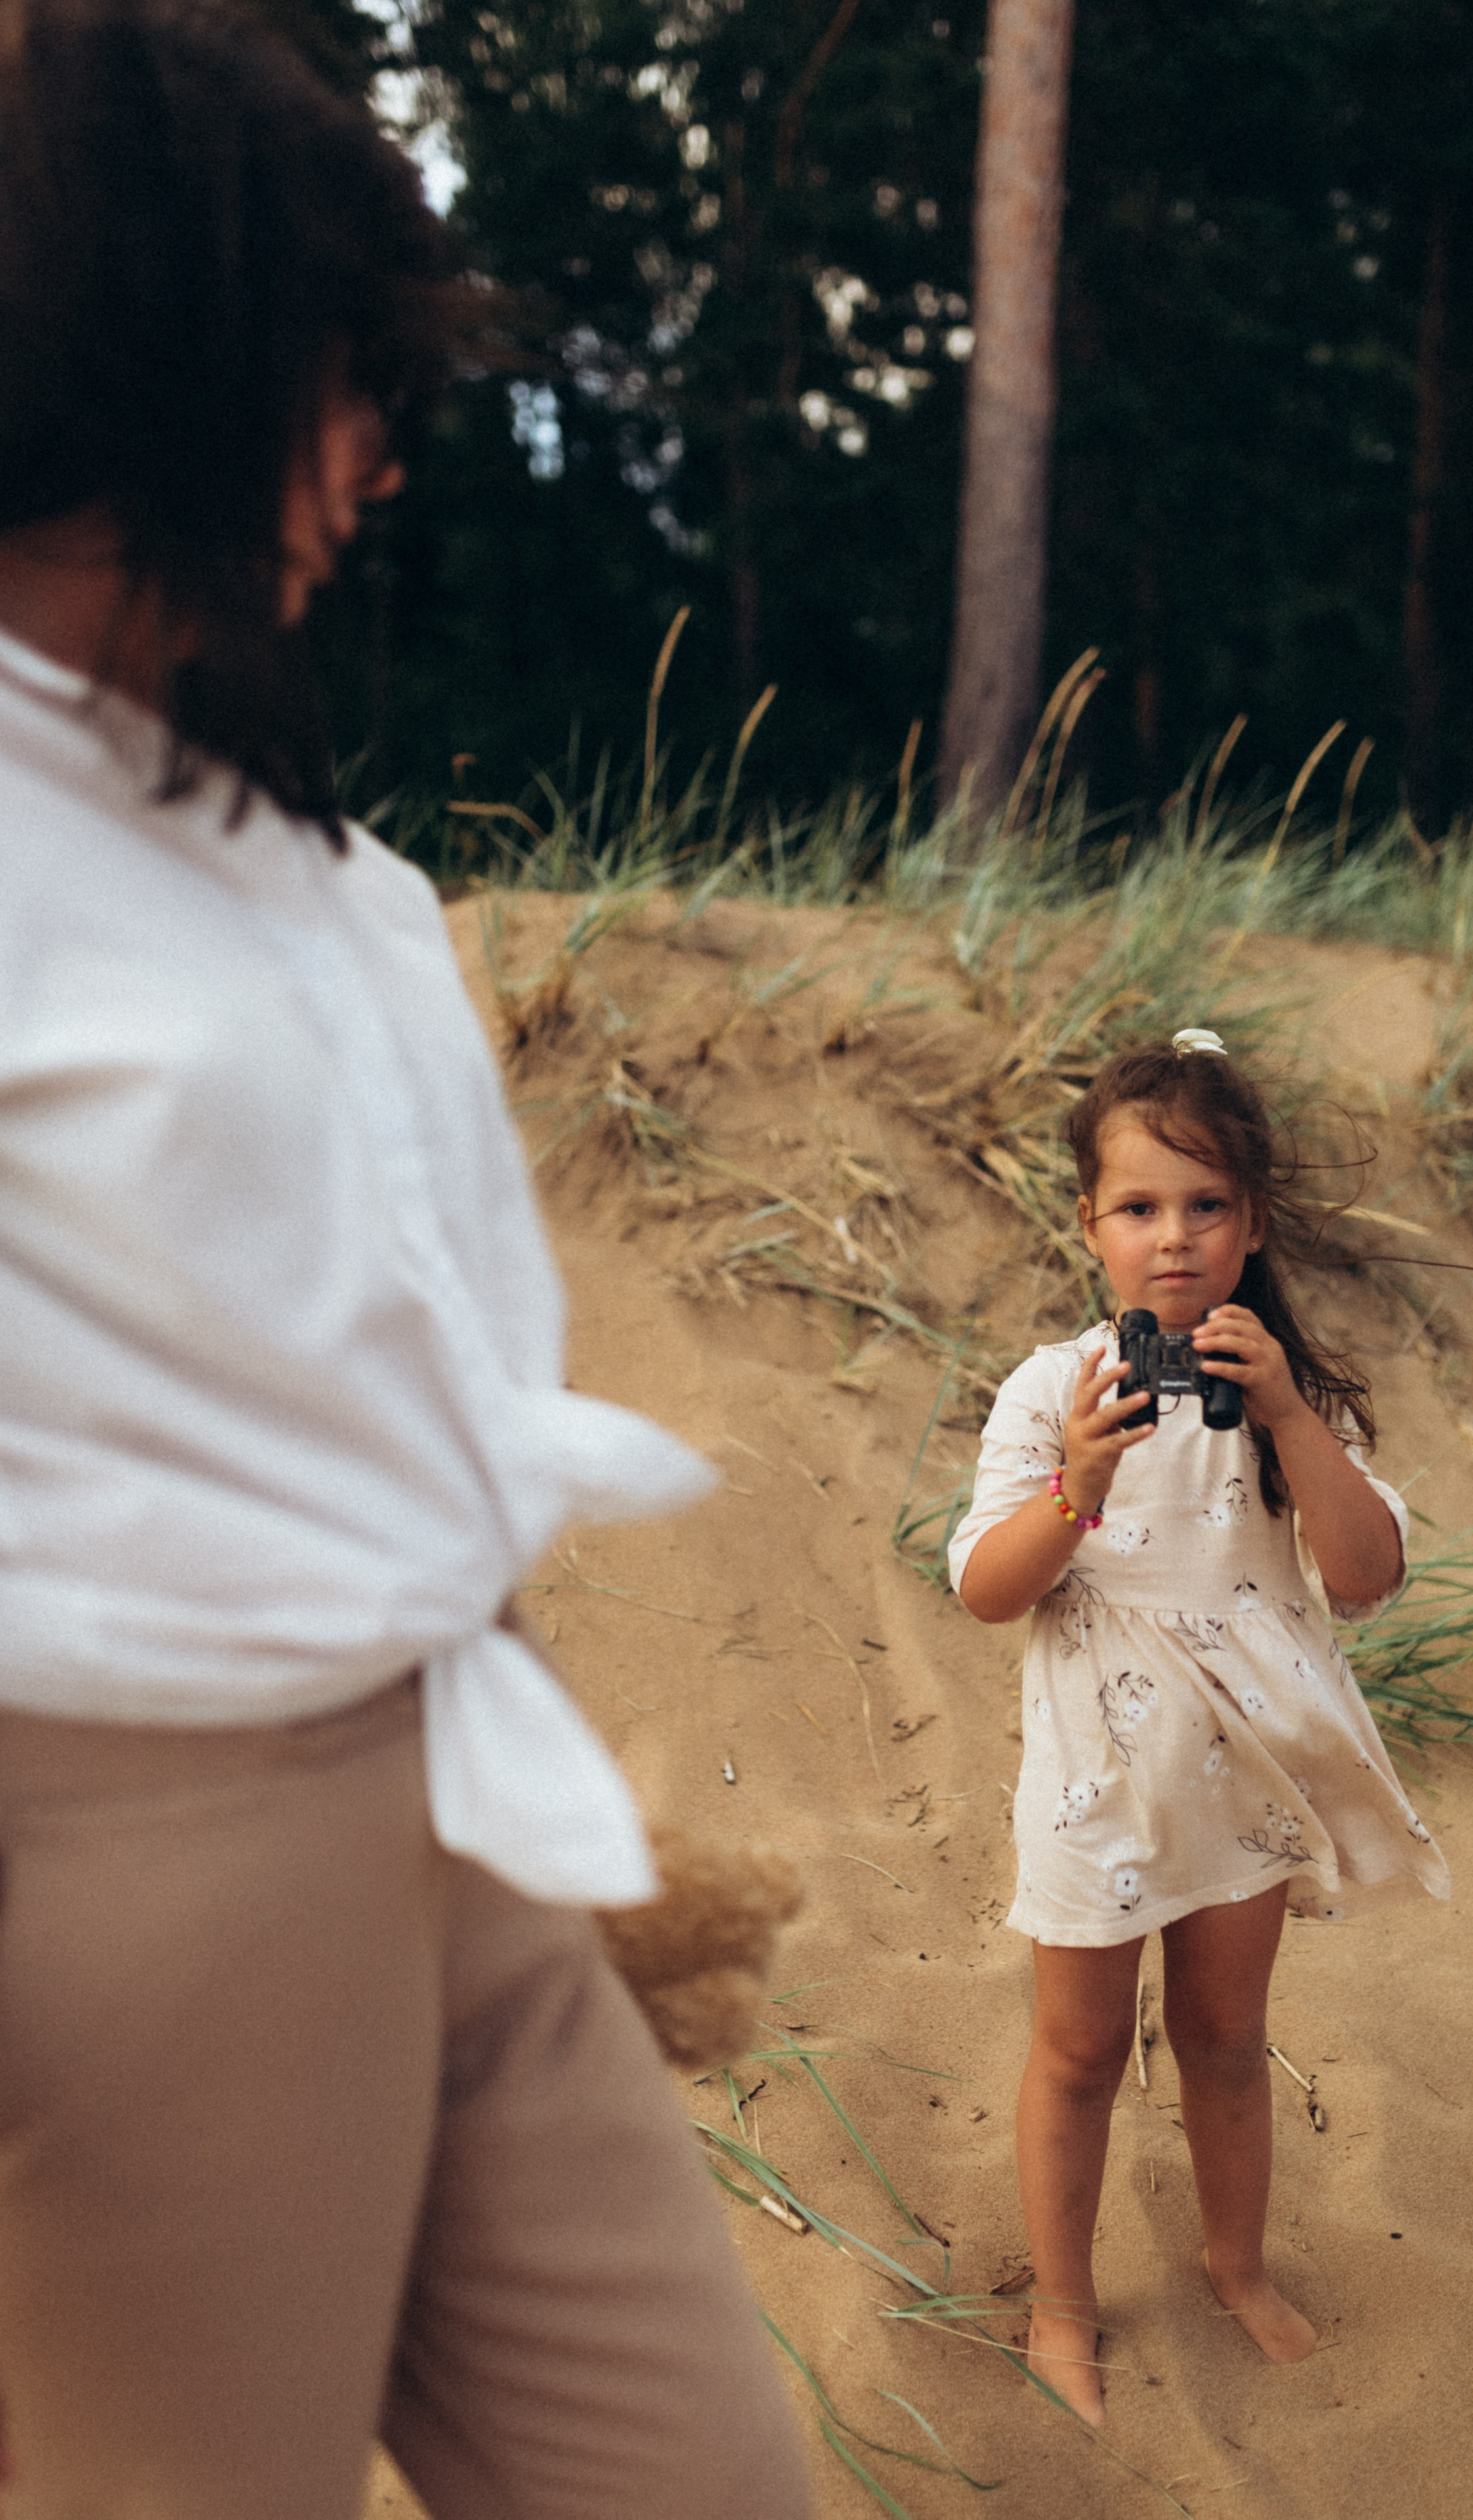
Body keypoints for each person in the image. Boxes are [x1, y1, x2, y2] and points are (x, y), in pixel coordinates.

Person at [0, 3, 811, 2513]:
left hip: (448, 1792)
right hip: (138, 1867)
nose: (375, 451)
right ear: (145, 357)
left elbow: (382, 1371)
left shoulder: (281, 833)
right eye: (333, 376)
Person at [949, 1030, 1449, 2424]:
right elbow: (989, 1591)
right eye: (1137, 1208)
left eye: (1204, 1206)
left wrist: (1289, 1412)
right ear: (1089, 1225)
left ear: (1252, 1223)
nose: (1171, 1240)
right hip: (1094, 1791)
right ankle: (1061, 2302)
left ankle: (1232, 2263)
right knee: (1078, 2052)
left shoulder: (1288, 1395)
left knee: (1226, 2037)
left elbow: (1363, 1576)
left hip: (1237, 1784)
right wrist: (1077, 1482)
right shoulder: (1052, 1392)